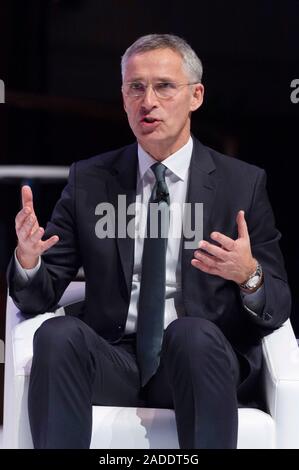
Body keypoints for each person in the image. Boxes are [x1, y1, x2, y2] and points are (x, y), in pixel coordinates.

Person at [8, 34, 291, 449]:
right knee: (57, 334)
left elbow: (278, 304)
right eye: (135, 88)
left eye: (164, 86)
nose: (148, 101)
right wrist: (28, 260)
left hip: (195, 365)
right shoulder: (91, 180)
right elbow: (39, 295)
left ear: (195, 96)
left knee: (192, 335)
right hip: (114, 358)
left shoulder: (241, 184)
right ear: (123, 98)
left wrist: (249, 275)